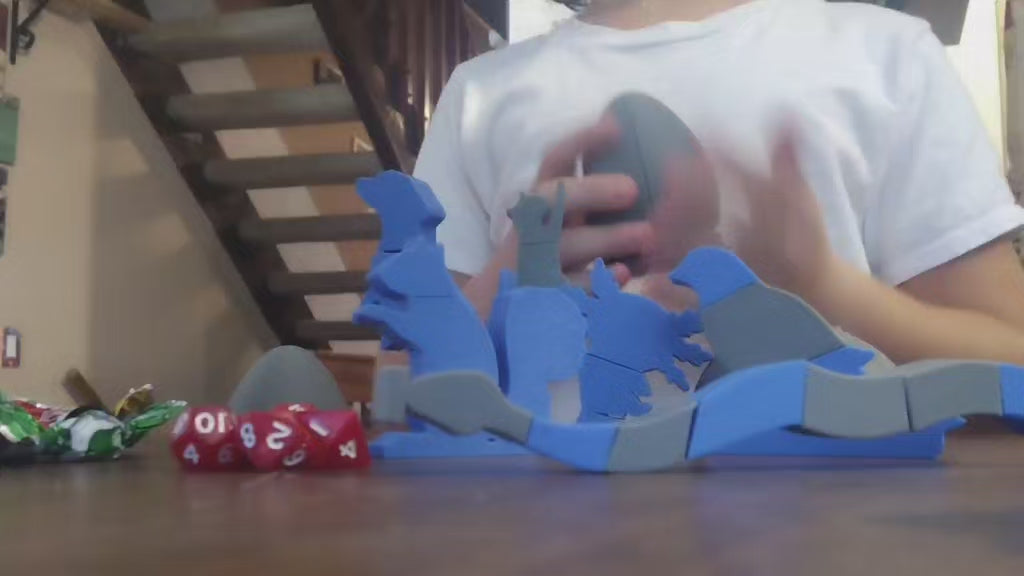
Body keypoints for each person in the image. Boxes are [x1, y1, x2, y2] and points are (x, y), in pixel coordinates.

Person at [411, 0, 1024, 366]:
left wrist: (823, 287)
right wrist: (506, 292)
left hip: (834, 523)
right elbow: (400, 381)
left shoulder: (887, 57)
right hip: (540, 524)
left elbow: (1010, 358)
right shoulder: (479, 95)